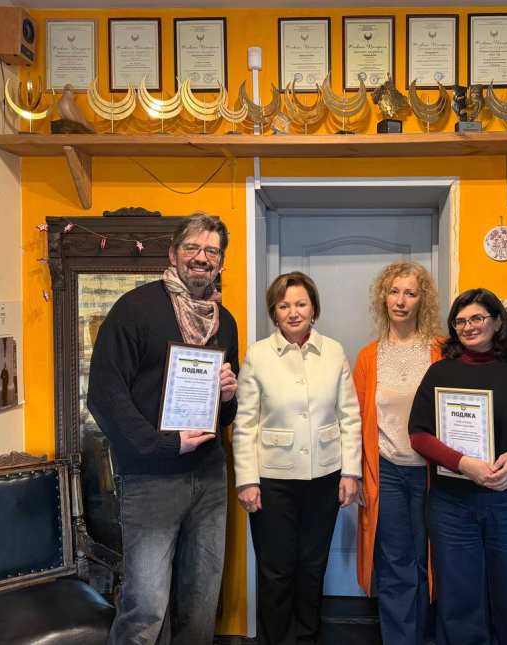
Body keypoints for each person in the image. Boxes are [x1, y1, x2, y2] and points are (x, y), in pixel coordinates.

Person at [87, 213, 239, 645]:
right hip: (151, 479)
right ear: (173, 254)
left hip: (209, 476)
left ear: (220, 263)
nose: (202, 257)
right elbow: (104, 396)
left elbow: (225, 414)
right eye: (192, 247)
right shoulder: (134, 310)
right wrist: (163, 445)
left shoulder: (224, 321)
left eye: (212, 251)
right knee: (146, 606)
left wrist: (229, 395)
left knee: (201, 600)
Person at [408, 288, 507, 645]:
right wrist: (462, 463)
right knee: (459, 606)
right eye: (460, 321)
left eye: (477, 318)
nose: (468, 327)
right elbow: (418, 435)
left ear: (497, 322)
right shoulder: (440, 373)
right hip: (452, 506)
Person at [232, 272, 362, 645]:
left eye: (301, 304)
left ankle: (306, 637)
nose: (293, 312)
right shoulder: (258, 354)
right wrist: (247, 480)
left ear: (313, 308)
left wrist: (351, 472)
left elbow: (350, 416)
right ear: (274, 311)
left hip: (325, 476)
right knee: (276, 570)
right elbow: (244, 423)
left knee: (312, 565)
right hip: (272, 481)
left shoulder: (333, 351)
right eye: (284, 305)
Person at [353, 262, 442, 645]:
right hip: (386, 472)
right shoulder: (368, 357)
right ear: (383, 298)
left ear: (423, 300)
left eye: (410, 293)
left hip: (432, 474)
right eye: (393, 292)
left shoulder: (441, 351)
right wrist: (354, 473)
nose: (400, 301)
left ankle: (425, 636)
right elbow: (354, 422)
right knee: (394, 564)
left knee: (430, 561)